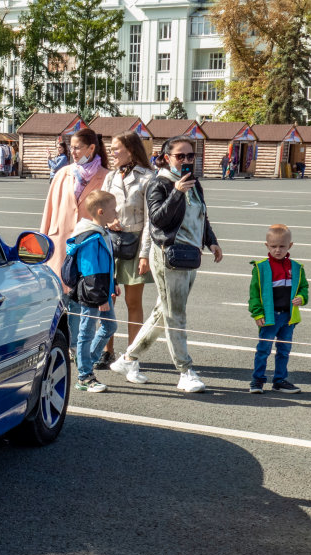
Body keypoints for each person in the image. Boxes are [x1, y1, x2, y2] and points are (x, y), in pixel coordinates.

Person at [110, 135, 223, 393]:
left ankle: (128, 359)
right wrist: (177, 193)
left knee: (164, 312)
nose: (186, 161)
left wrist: (211, 241)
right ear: (166, 158)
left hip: (190, 255)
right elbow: (158, 220)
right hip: (168, 255)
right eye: (180, 156)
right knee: (175, 314)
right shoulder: (159, 184)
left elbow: (201, 216)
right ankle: (185, 371)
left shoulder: (193, 184)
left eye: (190, 156)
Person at [98, 130, 155, 369]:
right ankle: (106, 350)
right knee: (107, 299)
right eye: (111, 149)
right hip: (111, 243)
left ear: (130, 150)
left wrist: (145, 254)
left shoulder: (148, 178)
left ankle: (132, 354)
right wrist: (108, 221)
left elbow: (151, 221)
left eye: (116, 148)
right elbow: (98, 207)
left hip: (135, 244)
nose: (112, 153)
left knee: (133, 302)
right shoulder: (110, 177)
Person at [40, 128, 110, 289]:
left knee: (86, 295)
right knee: (59, 293)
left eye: (77, 147)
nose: (73, 152)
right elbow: (48, 210)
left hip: (89, 244)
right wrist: (43, 240)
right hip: (59, 242)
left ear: (91, 148)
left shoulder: (106, 177)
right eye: (71, 147)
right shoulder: (62, 174)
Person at [67, 190, 119, 393]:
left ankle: (86, 361)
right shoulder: (90, 237)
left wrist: (113, 282)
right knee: (86, 333)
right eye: (113, 209)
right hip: (92, 293)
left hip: (102, 291)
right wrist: (99, 298)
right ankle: (84, 376)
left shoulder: (102, 232)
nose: (116, 212)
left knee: (109, 327)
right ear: (100, 211)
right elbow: (90, 272)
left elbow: (106, 264)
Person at [248, 224, 308, 394]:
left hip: (289, 317)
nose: (278, 250)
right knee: (263, 350)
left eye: (282, 246)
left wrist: (302, 298)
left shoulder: (296, 267)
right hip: (269, 317)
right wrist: (257, 313)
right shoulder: (261, 268)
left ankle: (279, 380)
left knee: (284, 350)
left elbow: (304, 288)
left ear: (290, 246)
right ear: (267, 246)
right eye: (273, 246)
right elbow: (254, 295)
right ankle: (257, 380)